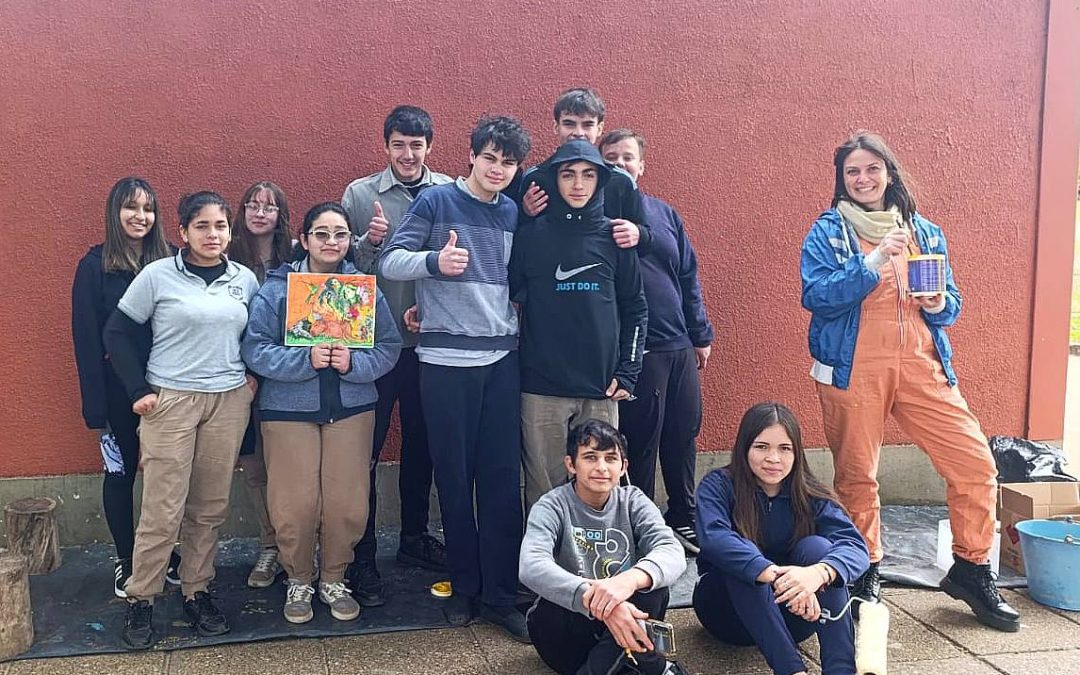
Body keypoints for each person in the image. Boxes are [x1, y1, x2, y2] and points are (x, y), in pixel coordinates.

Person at [800, 131, 1020, 632]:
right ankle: (864, 568)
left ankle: (971, 568)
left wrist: (941, 304)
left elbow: (952, 301)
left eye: (872, 169)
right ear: (842, 180)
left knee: (974, 463)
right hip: (853, 367)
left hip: (923, 364)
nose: (862, 179)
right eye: (852, 171)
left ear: (890, 173)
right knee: (857, 475)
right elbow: (817, 296)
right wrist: (872, 263)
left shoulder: (924, 230)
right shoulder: (828, 231)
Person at [380, 115, 532, 641]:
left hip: (500, 361)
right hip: (444, 363)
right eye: (489, 157)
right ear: (470, 156)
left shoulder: (512, 211)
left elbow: (515, 279)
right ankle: (464, 586)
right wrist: (434, 262)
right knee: (454, 477)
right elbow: (390, 261)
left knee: (498, 481)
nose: (497, 168)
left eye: (507, 161)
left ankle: (500, 593)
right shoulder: (436, 201)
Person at [105, 191, 260, 650]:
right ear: (183, 231)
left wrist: (251, 377)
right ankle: (142, 598)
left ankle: (197, 590)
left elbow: (258, 332)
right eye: (203, 227)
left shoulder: (244, 280)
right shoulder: (157, 276)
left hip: (227, 403)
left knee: (209, 506)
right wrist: (139, 391)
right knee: (162, 507)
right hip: (170, 402)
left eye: (221, 227)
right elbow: (117, 330)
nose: (213, 235)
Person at [242, 202, 401, 624]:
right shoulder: (279, 289)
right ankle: (298, 577)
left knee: (347, 502)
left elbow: (388, 346)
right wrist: (303, 361)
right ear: (305, 239)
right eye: (322, 233)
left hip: (351, 408)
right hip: (287, 411)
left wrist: (354, 366)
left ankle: (333, 576)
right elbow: (254, 347)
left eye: (341, 234)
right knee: (294, 502)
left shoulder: (365, 291)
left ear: (351, 240)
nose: (332, 242)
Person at [342, 105, 452, 605]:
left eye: (417, 145)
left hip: (433, 342)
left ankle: (413, 537)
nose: (408, 155)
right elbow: (343, 269)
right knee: (365, 447)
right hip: (377, 345)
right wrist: (370, 243)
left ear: (429, 146)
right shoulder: (360, 194)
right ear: (385, 146)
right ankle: (359, 553)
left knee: (424, 444)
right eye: (399, 145)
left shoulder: (451, 190)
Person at [509, 139, 647, 512]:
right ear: (554, 180)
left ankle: (598, 567)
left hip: (601, 388)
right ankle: (542, 569)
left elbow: (636, 307)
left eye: (588, 176)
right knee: (544, 491)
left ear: (600, 182)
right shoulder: (530, 237)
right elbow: (507, 297)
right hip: (541, 388)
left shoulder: (615, 237)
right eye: (568, 175)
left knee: (601, 488)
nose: (577, 184)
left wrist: (629, 370)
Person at [599, 129, 714, 554]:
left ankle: (683, 517)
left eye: (628, 157)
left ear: (642, 164)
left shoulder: (664, 213)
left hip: (679, 346)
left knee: (683, 434)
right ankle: (641, 524)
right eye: (611, 157)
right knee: (640, 443)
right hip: (635, 352)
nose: (620, 164)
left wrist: (700, 333)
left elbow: (688, 274)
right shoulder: (595, 215)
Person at [694, 403, 870, 675]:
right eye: (762, 447)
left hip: (797, 616)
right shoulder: (718, 485)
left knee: (819, 549)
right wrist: (776, 576)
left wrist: (817, 574)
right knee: (743, 558)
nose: (773, 458)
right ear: (745, 448)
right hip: (727, 613)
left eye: (784, 449)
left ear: (797, 453)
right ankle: (791, 670)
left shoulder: (810, 494)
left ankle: (841, 670)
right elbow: (715, 538)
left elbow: (856, 547)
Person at [71, 177, 174, 598]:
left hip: (167, 387)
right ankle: (126, 558)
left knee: (166, 478)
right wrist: (94, 407)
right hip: (116, 396)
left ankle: (163, 555)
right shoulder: (93, 266)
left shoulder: (169, 263)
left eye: (148, 209)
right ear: (115, 213)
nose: (140, 217)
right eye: (131, 208)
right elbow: (86, 340)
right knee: (121, 475)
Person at [520, 419, 687, 675]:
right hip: (567, 630)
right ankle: (653, 665)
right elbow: (531, 565)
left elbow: (671, 550)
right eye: (590, 457)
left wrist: (627, 582)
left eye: (610, 459)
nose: (601, 467)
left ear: (623, 467)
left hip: (622, 623)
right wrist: (604, 604)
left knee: (653, 589)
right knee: (549, 609)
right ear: (571, 464)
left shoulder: (633, 500)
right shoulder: (552, 505)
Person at [228, 180, 293, 589]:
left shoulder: (299, 259)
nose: (259, 213)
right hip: (241, 380)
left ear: (280, 216)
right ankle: (270, 546)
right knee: (255, 467)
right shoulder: (226, 258)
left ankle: (298, 547)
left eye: (268, 207)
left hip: (289, 376)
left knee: (291, 467)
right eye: (252, 205)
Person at [513, 87, 650, 251]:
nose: (578, 133)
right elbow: (517, 240)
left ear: (599, 129)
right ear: (556, 127)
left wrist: (639, 234)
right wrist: (525, 213)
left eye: (587, 125)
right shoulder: (536, 178)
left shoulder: (621, 181)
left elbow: (646, 243)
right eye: (569, 124)